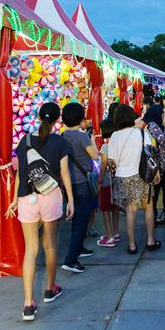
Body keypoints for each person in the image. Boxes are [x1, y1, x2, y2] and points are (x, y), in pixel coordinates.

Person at [6, 102, 75, 319]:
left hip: (28, 197)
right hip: (51, 196)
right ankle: (50, 288)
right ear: (57, 120)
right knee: (50, 245)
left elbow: (20, 174)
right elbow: (64, 173)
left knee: (31, 250)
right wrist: (70, 200)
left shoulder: (24, 141)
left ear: (38, 117)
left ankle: (28, 304)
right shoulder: (60, 142)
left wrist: (16, 199)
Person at [108, 103, 161, 254]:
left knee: (130, 210)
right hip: (142, 175)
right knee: (148, 207)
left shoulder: (114, 136)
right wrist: (157, 173)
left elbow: (112, 161)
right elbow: (151, 154)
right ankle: (150, 240)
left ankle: (132, 245)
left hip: (122, 177)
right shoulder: (142, 133)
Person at [60, 102, 99, 274]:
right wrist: (92, 140)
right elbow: (95, 156)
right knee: (81, 219)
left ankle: (79, 249)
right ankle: (71, 259)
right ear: (81, 118)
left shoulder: (63, 135)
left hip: (68, 182)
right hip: (82, 182)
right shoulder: (82, 136)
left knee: (77, 218)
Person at [144, 103, 165, 227]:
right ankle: (164, 217)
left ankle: (160, 217)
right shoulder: (153, 125)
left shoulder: (151, 125)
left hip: (161, 164)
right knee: (163, 192)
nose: (164, 115)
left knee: (161, 192)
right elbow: (163, 139)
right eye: (162, 113)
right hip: (160, 165)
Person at [96, 118, 120, 248]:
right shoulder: (118, 144)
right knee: (115, 207)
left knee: (105, 209)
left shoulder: (105, 146)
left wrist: (99, 179)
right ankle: (115, 232)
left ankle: (109, 235)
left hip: (107, 182)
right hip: (117, 181)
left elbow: (103, 164)